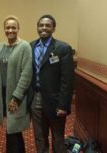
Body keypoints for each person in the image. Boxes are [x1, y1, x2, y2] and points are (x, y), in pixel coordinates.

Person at [29, 14, 74, 153]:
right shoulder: (30, 46)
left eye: (47, 25)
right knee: (40, 137)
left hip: (55, 101)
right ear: (37, 28)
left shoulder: (63, 48)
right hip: (36, 99)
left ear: (53, 28)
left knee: (58, 137)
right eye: (41, 25)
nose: (44, 28)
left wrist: (63, 105)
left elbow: (67, 80)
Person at [0, 15, 33, 153]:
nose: (10, 30)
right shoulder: (0, 47)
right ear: (4, 29)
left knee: (13, 129)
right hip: (3, 94)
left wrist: (16, 97)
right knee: (10, 129)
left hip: (16, 95)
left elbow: (26, 74)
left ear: (18, 29)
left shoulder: (25, 47)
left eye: (13, 27)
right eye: (7, 27)